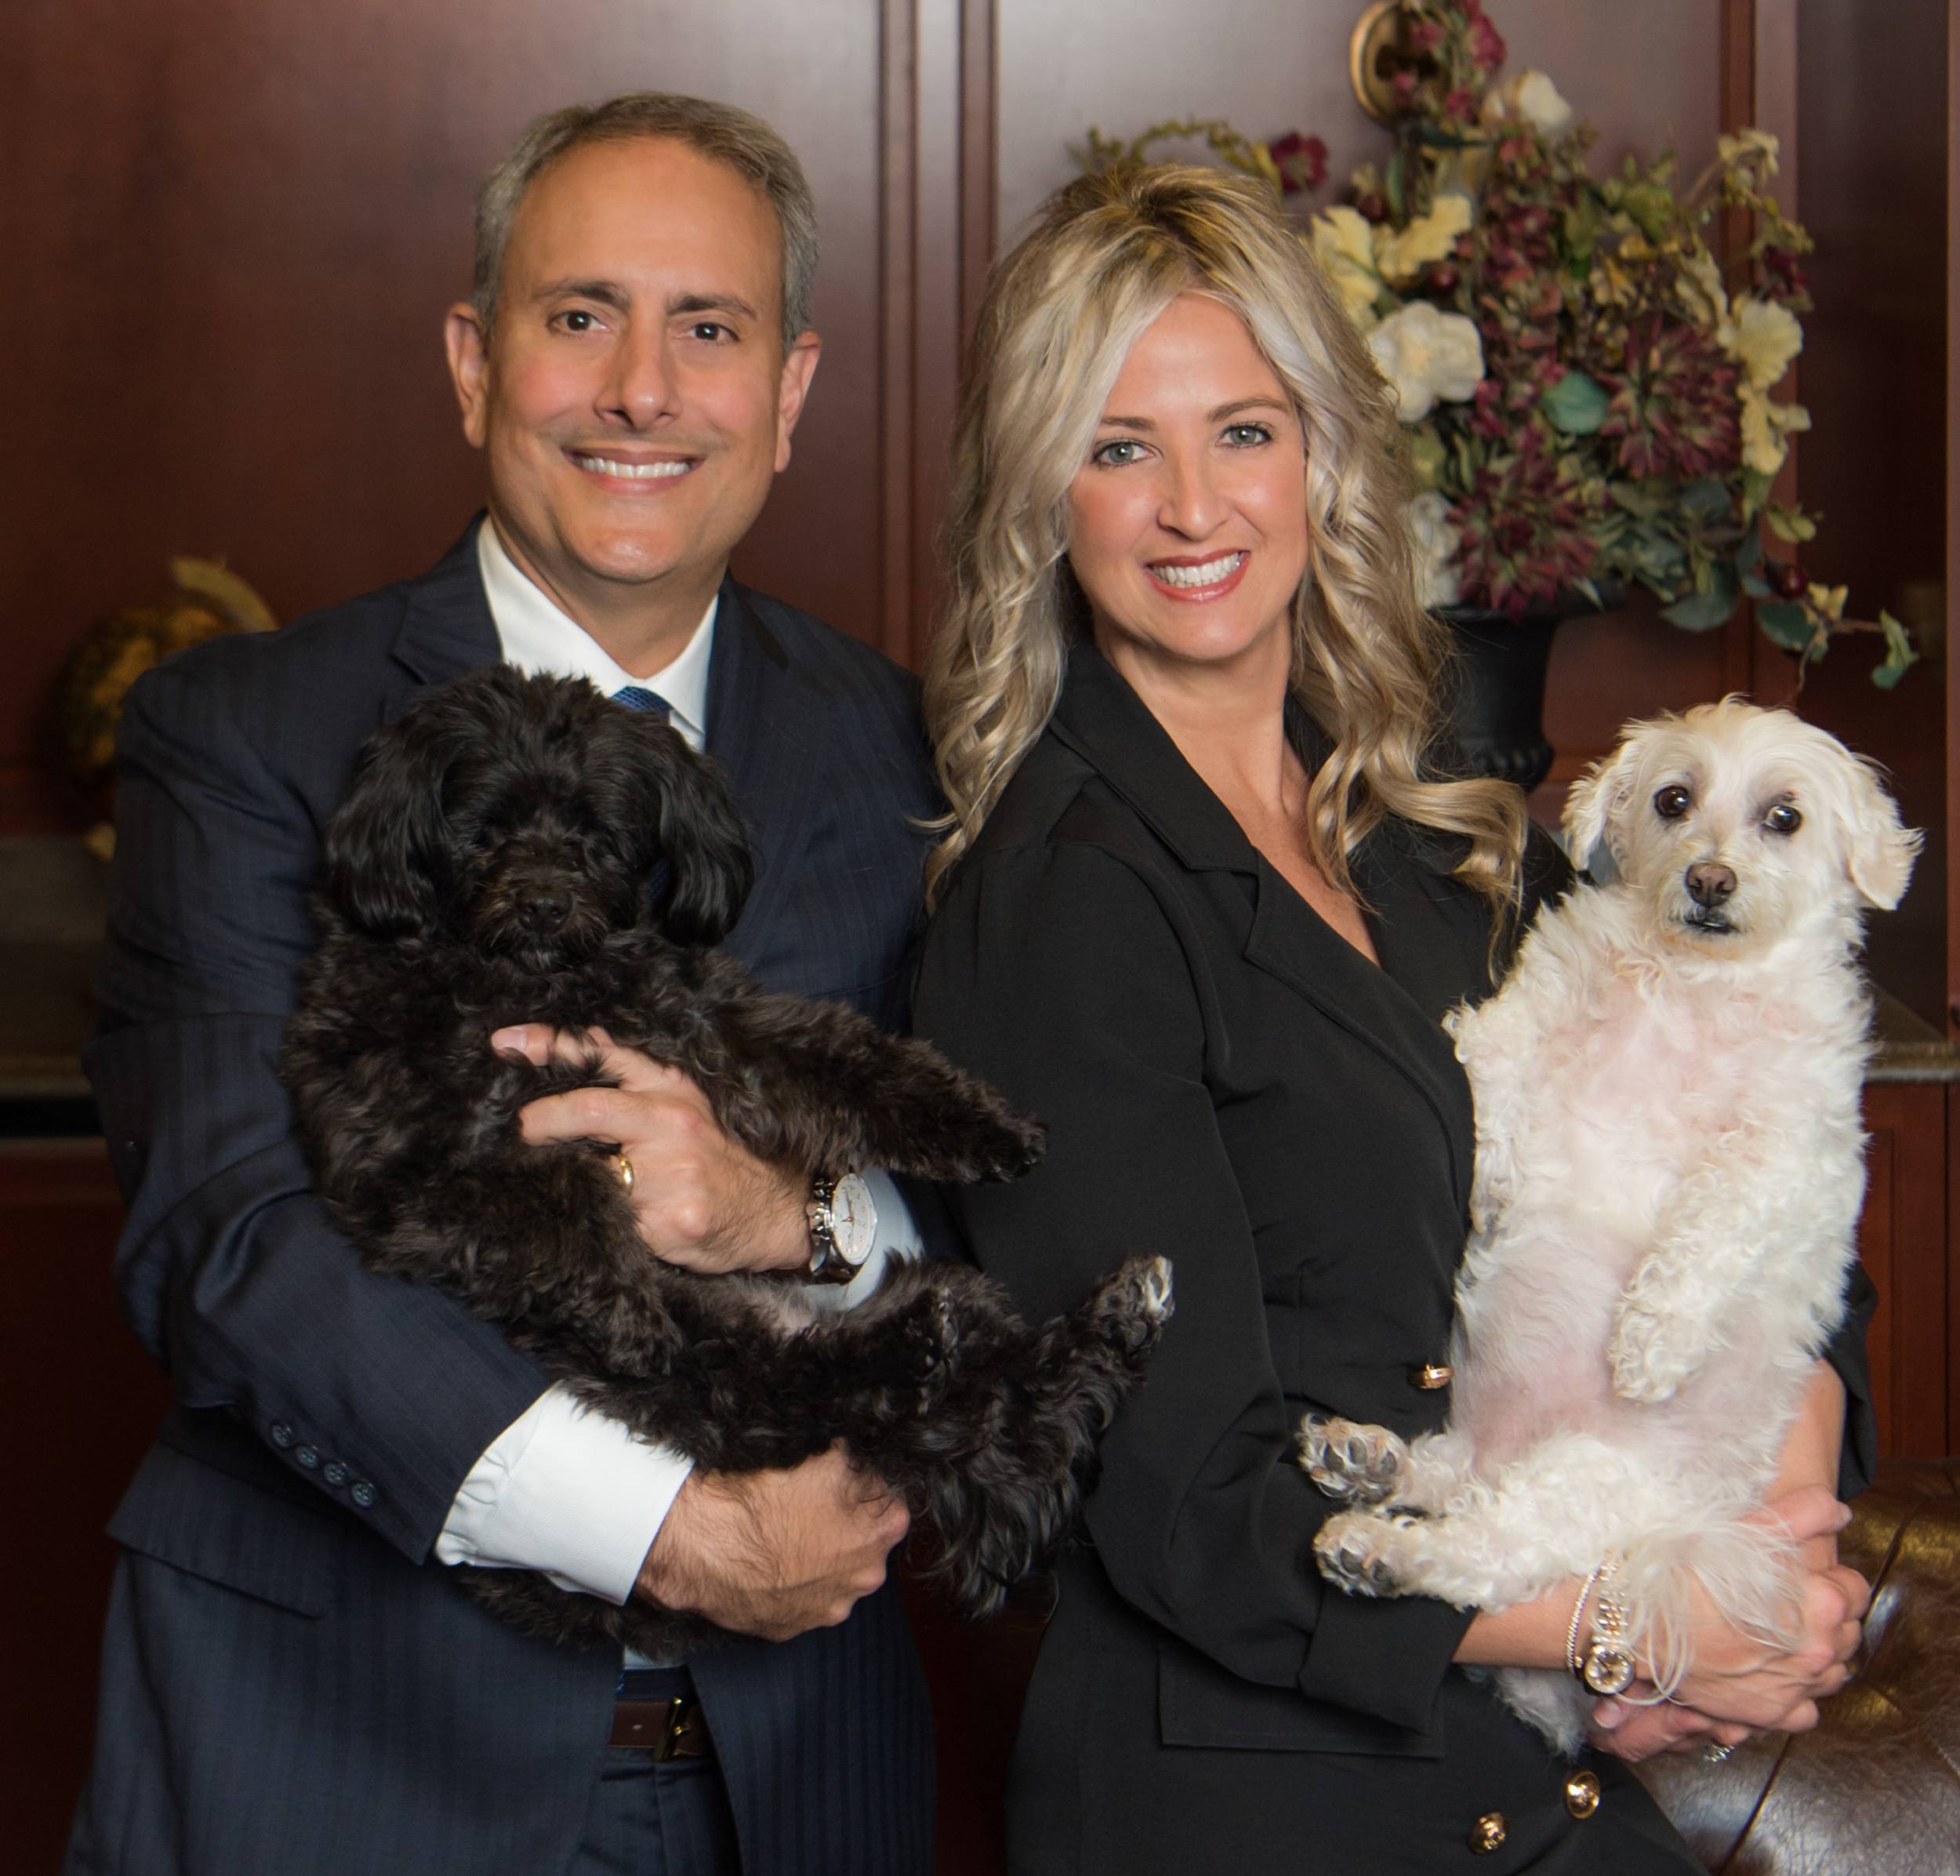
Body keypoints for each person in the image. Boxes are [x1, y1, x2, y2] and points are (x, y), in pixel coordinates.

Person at [910, 163, 1875, 1874]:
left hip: (1512, 1753)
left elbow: (1768, 1213)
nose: (1192, 504)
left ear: (1322, 456)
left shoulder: (1421, 851)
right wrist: (1606, 1633)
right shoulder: (1058, 902)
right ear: (1037, 496)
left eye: (1243, 431)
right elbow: (1182, 1489)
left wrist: (1766, 1538)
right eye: (1117, 444)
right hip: (1257, 1787)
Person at [68, 94, 937, 1876]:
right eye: (576, 317)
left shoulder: (906, 748)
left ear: (787, 389)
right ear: (474, 365)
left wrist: (803, 1214)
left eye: (708, 329)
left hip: (785, 1769)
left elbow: (1002, 1198)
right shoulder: (243, 736)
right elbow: (225, 1238)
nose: (640, 389)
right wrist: (669, 1532)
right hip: (334, 1752)